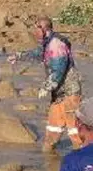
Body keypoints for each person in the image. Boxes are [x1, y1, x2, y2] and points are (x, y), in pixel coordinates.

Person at [9, 17, 83, 151]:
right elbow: (38, 54)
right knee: (52, 130)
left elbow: (59, 70)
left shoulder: (56, 44)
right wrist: (19, 56)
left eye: (37, 29)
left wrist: (46, 87)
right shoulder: (47, 43)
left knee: (75, 131)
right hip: (58, 93)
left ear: (45, 29)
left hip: (70, 92)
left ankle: (84, 157)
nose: (34, 32)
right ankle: (49, 159)